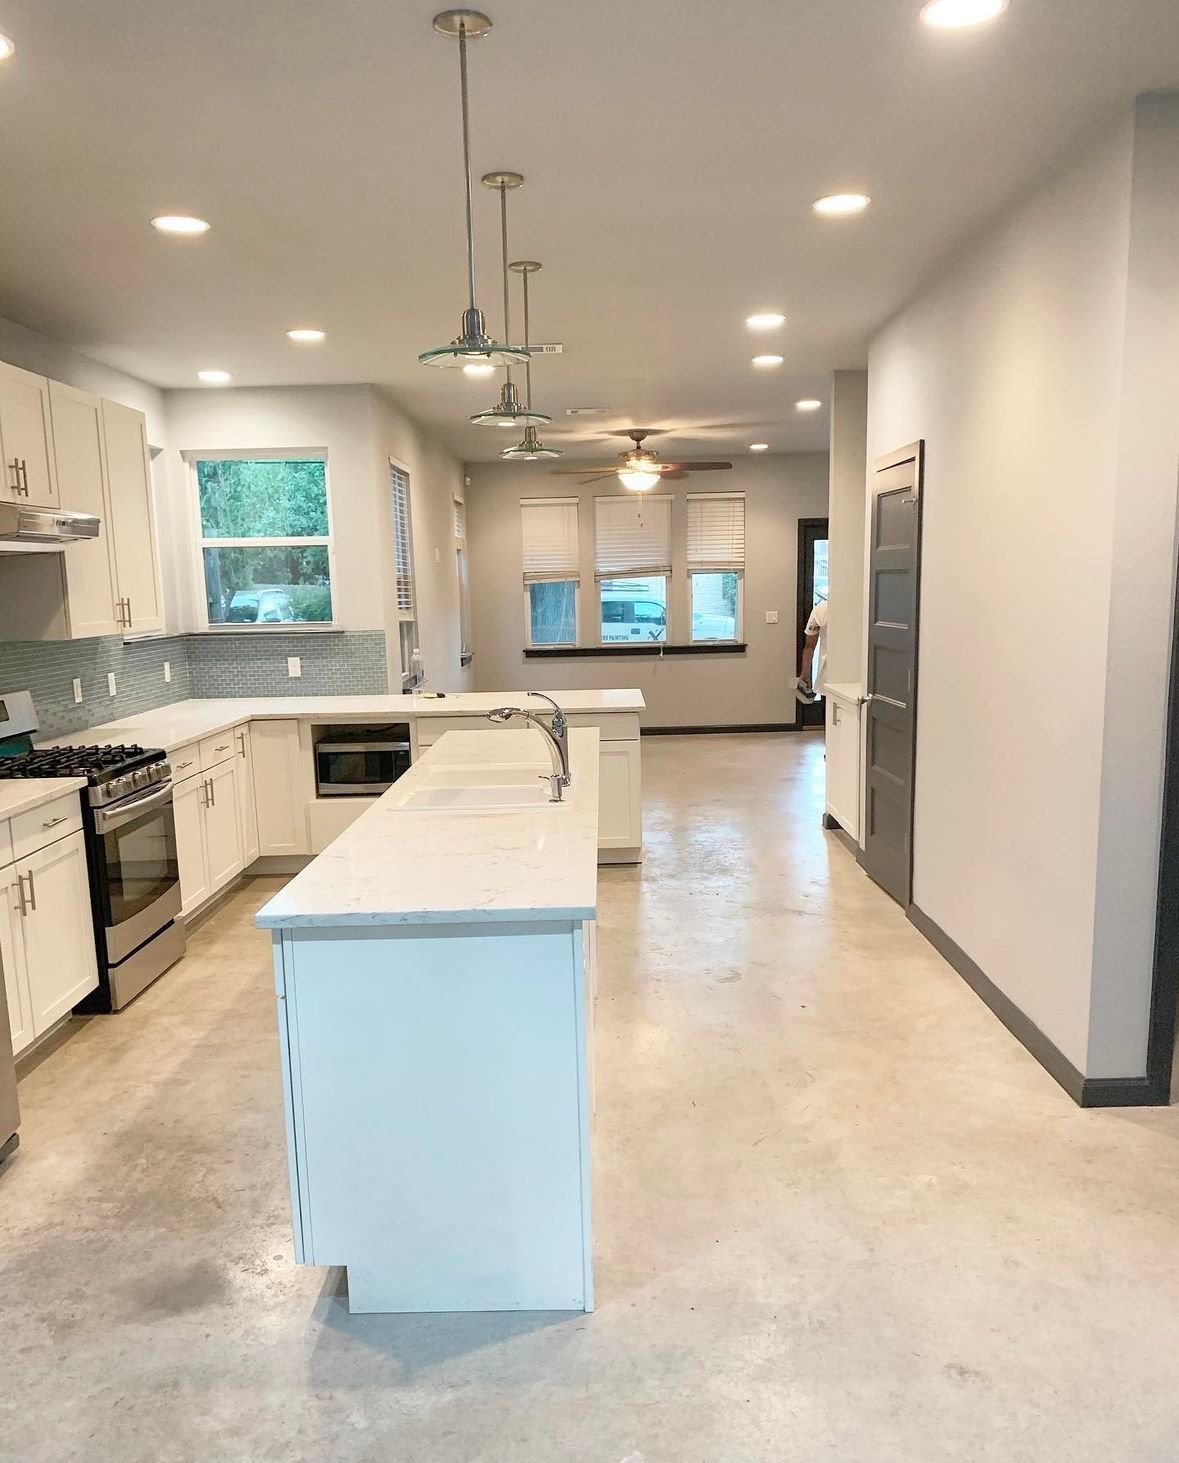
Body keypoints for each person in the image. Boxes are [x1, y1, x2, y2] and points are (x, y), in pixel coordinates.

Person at [796, 596, 827, 704]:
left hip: (827, 673)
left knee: (830, 715)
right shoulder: (863, 607)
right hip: (858, 674)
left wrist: (805, 675)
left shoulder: (822, 609)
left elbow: (809, 646)